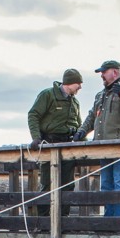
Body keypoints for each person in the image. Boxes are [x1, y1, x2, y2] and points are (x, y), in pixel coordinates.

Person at [75, 60, 120, 217]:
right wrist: (81, 132)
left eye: (104, 72)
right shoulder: (101, 95)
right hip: (103, 149)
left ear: (115, 73)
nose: (102, 76)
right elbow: (92, 116)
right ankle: (108, 224)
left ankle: (119, 224)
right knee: (106, 186)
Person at [27, 68, 83, 216]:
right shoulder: (48, 95)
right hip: (49, 144)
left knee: (68, 185)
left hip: (68, 146)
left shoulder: (75, 102)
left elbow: (79, 125)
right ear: (70, 83)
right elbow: (33, 114)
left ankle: (63, 220)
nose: (80, 87)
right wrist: (36, 137)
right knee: (47, 183)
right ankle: (44, 221)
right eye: (78, 83)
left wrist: (84, 143)